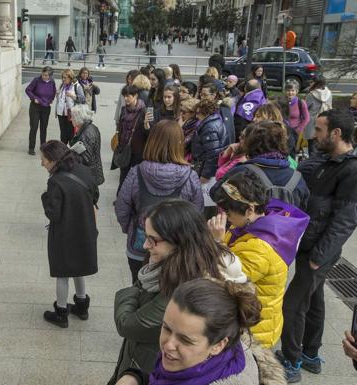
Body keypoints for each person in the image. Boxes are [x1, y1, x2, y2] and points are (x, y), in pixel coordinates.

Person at [109, 200, 243, 384]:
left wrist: (132, 290)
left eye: (152, 239)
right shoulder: (167, 266)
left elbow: (129, 324)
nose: (145, 246)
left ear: (179, 240)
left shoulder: (184, 290)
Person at [277, 109, 357, 382]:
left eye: (320, 130)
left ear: (336, 133)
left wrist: (318, 257)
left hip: (319, 252)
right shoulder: (328, 160)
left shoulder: (352, 169)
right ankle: (310, 354)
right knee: (313, 301)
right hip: (311, 246)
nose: (314, 135)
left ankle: (291, 361)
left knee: (293, 305)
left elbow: (345, 221)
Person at [114, 278, 288, 385]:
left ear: (219, 345)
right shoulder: (219, 355)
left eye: (185, 340)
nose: (168, 345)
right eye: (166, 328)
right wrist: (135, 377)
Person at [209, 171, 310, 348]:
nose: (226, 216)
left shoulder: (260, 246)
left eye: (229, 211)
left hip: (253, 333)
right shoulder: (258, 223)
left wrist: (216, 242)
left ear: (249, 209)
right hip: (257, 320)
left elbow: (229, 277)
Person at [115, 120, 203, 282]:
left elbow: (122, 206)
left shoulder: (137, 172)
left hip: (141, 243)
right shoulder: (190, 176)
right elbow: (197, 214)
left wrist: (132, 228)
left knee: (138, 287)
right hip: (176, 248)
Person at [40, 141, 98, 328]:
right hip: (86, 228)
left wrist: (44, 197)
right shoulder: (83, 170)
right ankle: (82, 306)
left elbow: (53, 213)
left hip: (65, 233)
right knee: (79, 267)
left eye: (44, 160)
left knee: (62, 272)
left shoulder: (55, 181)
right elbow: (94, 195)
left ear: (54, 161)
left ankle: (61, 312)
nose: (42, 164)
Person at [211, 120, 310, 210]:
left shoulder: (242, 171)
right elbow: (303, 209)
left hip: (246, 229)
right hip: (286, 229)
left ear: (251, 143)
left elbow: (216, 193)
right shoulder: (297, 178)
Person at [112, 85, 148, 194]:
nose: (126, 99)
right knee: (123, 174)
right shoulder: (124, 109)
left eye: (128, 96)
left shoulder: (143, 111)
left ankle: (134, 198)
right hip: (124, 148)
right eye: (124, 96)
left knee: (137, 176)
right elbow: (121, 127)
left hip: (138, 149)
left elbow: (147, 133)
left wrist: (146, 124)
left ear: (135, 95)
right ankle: (120, 197)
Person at [191, 98, 229, 185]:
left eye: (198, 113)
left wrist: (205, 175)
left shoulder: (209, 127)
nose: (196, 116)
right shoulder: (215, 122)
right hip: (203, 165)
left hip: (203, 167)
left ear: (206, 112)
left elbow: (213, 154)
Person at [253, 103, 299, 169]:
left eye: (258, 116)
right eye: (254, 116)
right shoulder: (255, 133)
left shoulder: (287, 135)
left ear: (270, 117)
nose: (254, 119)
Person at [69, 104, 104, 186]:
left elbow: (86, 159)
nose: (71, 119)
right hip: (92, 173)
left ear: (79, 118)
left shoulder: (86, 134)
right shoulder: (91, 127)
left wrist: (69, 155)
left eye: (73, 117)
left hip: (88, 176)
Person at [25, 66, 56, 155]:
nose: (44, 77)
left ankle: (43, 147)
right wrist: (33, 98)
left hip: (46, 107)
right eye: (43, 74)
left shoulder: (52, 82)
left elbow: (53, 92)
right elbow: (28, 90)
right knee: (34, 127)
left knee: (43, 128)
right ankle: (31, 148)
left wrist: (51, 100)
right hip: (35, 107)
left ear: (50, 76)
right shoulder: (36, 80)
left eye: (46, 75)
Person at [278, 84, 310, 157]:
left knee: (292, 152)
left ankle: (292, 167)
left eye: (293, 91)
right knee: (281, 151)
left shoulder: (301, 102)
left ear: (296, 91)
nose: (290, 93)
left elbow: (306, 118)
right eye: (288, 90)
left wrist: (299, 129)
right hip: (282, 130)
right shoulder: (280, 102)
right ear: (285, 91)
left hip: (295, 131)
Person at [55, 69, 85, 145]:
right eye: (62, 77)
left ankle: (71, 151)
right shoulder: (62, 85)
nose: (63, 79)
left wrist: (72, 96)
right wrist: (57, 94)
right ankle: (63, 149)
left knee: (71, 134)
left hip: (71, 114)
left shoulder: (77, 86)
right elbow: (61, 99)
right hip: (61, 113)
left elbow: (82, 99)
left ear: (70, 78)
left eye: (65, 78)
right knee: (63, 133)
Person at [304, 80, 332, 155]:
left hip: (312, 122)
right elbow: (330, 107)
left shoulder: (311, 94)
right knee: (323, 145)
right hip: (325, 121)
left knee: (312, 146)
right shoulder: (329, 94)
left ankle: (313, 164)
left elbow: (305, 108)